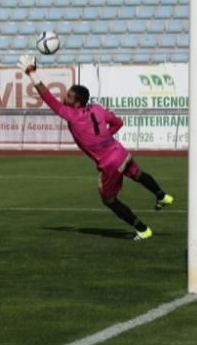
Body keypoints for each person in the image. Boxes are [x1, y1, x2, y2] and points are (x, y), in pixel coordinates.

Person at [17, 55, 173, 240]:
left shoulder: (72, 115)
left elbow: (47, 97)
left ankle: (142, 229)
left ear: (76, 103)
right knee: (138, 175)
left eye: (68, 96)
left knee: (109, 200)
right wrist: (106, 138)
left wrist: (32, 73)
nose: (64, 97)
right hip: (121, 152)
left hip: (110, 162)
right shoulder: (97, 108)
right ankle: (162, 195)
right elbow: (118, 122)